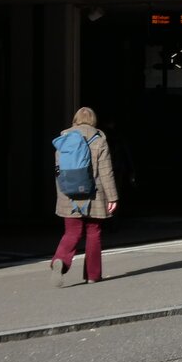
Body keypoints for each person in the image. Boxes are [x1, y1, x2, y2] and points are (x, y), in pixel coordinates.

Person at [51, 107, 118, 286]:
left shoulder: (64, 139)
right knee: (93, 232)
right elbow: (106, 172)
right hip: (94, 193)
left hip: (69, 193)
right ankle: (92, 275)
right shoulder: (99, 139)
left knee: (72, 231)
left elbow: (59, 171)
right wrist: (112, 197)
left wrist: (62, 193)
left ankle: (61, 260)